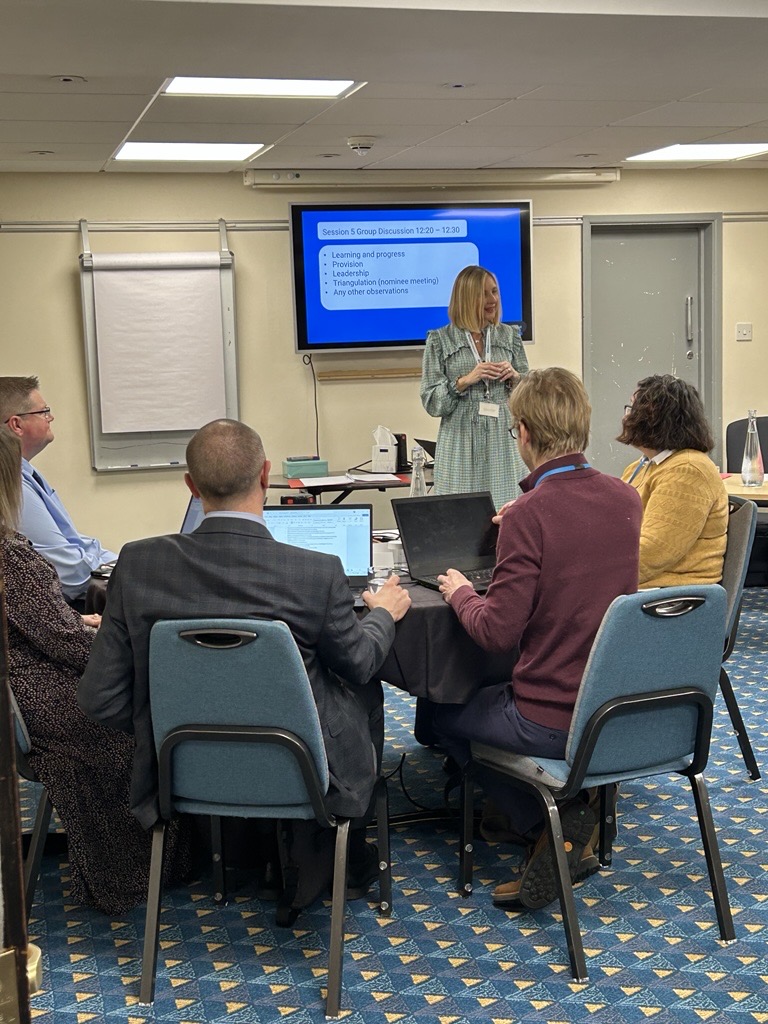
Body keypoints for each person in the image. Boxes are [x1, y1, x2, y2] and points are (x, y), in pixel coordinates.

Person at [78, 418, 411, 905]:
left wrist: (166, 724)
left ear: (191, 486)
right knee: (364, 691)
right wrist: (382, 615)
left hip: (178, 772)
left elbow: (99, 698)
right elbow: (359, 663)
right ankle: (345, 852)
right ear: (266, 475)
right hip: (302, 771)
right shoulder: (315, 572)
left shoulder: (138, 565)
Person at [432, 368, 642, 909]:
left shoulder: (531, 514)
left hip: (549, 717)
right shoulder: (627, 498)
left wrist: (460, 592)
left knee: (435, 714)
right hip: (611, 709)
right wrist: (520, 523)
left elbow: (495, 631)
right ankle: (534, 812)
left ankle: (545, 822)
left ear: (523, 432)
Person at [0, 430, 187, 915]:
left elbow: (37, 625)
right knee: (152, 707)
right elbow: (63, 644)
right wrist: (126, 646)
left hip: (23, 688)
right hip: (46, 698)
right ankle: (143, 869)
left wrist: (77, 622)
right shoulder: (10, 555)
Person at [0, 376, 117, 605]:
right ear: (17, 425)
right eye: (44, 412)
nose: (50, 417)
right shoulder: (12, 483)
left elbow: (75, 542)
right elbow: (68, 573)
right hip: (68, 605)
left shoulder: (26, 471)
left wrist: (123, 562)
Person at [420, 265, 529, 510]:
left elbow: (529, 395)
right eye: (484, 294)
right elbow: (431, 402)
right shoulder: (439, 340)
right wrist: (464, 381)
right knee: (460, 513)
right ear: (466, 298)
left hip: (503, 436)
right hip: (459, 438)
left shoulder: (510, 336)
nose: (493, 300)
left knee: (507, 510)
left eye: (495, 292)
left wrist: (515, 377)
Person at [618, 374, 728, 588]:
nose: (625, 418)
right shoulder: (642, 466)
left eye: (631, 410)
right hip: (645, 587)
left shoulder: (688, 471)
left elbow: (652, 553)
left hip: (672, 595)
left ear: (654, 420)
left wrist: (591, 574)